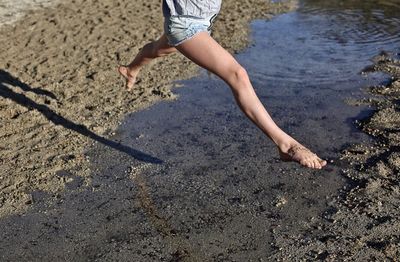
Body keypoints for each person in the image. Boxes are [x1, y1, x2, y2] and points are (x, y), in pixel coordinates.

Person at [118, 0, 327, 169]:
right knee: (238, 75)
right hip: (185, 25)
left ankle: (130, 69)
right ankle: (286, 144)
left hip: (201, 21)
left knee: (159, 49)